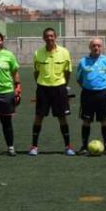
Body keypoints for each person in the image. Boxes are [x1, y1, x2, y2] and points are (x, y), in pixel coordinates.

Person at [29, 28, 74, 156]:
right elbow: (36, 72)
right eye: (47, 36)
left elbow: (68, 71)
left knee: (62, 117)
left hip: (59, 88)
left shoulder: (64, 52)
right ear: (43, 38)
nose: (49, 38)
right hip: (43, 88)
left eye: (51, 36)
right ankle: (34, 147)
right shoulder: (38, 53)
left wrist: (64, 85)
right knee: (39, 117)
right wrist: (41, 83)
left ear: (56, 37)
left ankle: (68, 147)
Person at [75, 37, 106, 154]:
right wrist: (88, 87)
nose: (96, 48)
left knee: (105, 120)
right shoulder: (83, 61)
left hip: (102, 94)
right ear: (90, 47)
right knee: (86, 120)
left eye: (98, 45)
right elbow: (79, 79)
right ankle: (84, 146)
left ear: (102, 47)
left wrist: (102, 87)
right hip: (87, 94)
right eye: (94, 46)